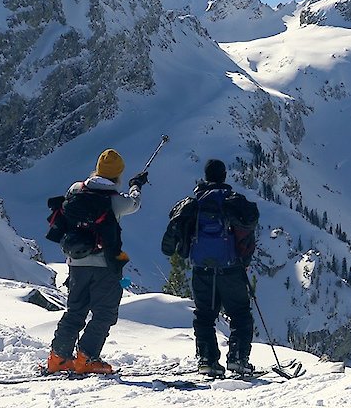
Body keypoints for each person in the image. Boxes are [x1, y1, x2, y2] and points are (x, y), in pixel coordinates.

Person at [46, 148, 148, 374]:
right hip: (105, 266)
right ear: (118, 174)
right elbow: (135, 203)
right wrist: (136, 185)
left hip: (76, 263)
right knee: (104, 313)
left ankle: (58, 358)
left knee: (75, 311)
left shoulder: (76, 189)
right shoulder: (116, 201)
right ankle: (87, 358)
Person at [162, 158, 259, 377]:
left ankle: (207, 360)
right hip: (231, 269)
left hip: (202, 270)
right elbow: (250, 223)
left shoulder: (194, 204)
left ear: (206, 177)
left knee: (204, 316)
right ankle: (238, 359)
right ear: (224, 176)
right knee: (240, 315)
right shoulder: (232, 201)